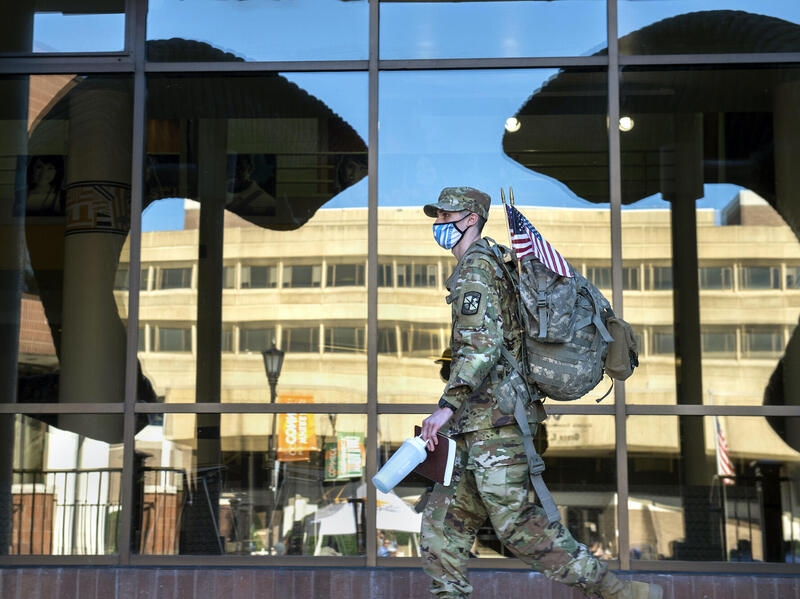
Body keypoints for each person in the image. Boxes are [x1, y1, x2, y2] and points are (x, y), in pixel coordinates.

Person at [418, 187, 662, 599]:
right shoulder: (489, 265)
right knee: (441, 530)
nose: (438, 223)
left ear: (471, 219)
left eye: (447, 216)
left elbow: (482, 344)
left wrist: (446, 407)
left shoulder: (477, 268)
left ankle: (617, 591)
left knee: (518, 525)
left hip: (496, 422)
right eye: (437, 216)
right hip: (477, 426)